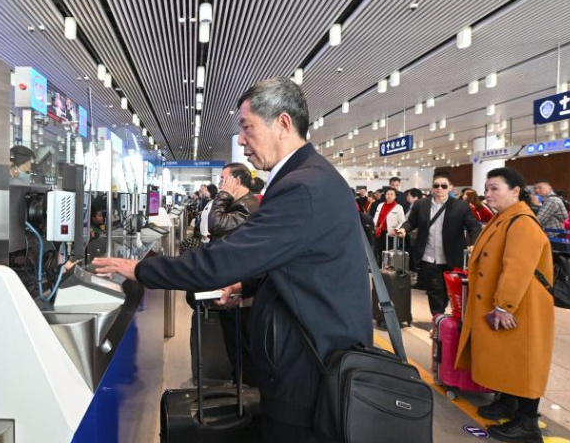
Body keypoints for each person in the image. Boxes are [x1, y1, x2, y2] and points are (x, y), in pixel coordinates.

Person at [92, 77, 371, 442]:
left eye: (246, 126)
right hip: (313, 361)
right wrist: (251, 284)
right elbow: (300, 260)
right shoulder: (311, 177)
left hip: (308, 373)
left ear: (283, 124)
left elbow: (221, 261)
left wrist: (139, 268)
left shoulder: (302, 186)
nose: (241, 140)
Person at [455, 168, 554, 443]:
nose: (488, 194)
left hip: (520, 306)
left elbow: (517, 269)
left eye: (494, 188)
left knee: (524, 361)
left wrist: (504, 306)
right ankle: (507, 403)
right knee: (507, 357)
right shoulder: (504, 218)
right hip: (509, 304)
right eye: (486, 189)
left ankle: (527, 423)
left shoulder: (522, 222)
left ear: (515, 191)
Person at [204, 162, 260, 384]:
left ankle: (246, 393)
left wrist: (223, 194)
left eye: (223, 180)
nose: (220, 185)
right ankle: (240, 385)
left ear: (236, 181)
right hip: (233, 284)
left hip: (242, 290)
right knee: (234, 346)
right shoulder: (239, 205)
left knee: (242, 347)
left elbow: (216, 225)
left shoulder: (246, 207)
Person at [396, 172, 481, 316]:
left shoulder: (461, 206)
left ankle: (444, 314)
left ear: (450, 188)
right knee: (434, 290)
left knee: (450, 290)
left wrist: (474, 243)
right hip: (429, 256)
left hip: (452, 256)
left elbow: (474, 226)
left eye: (443, 186)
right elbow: (411, 222)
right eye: (436, 185)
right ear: (432, 188)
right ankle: (437, 318)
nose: (439, 188)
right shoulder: (421, 204)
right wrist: (404, 228)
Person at [372, 188, 406, 266]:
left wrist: (396, 230)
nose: (389, 196)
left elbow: (402, 221)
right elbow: (376, 217)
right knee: (379, 251)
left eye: (392, 194)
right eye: (387, 194)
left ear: (395, 196)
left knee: (389, 252)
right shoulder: (380, 205)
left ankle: (389, 269)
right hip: (379, 233)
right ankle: (380, 268)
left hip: (391, 233)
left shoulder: (398, 207)